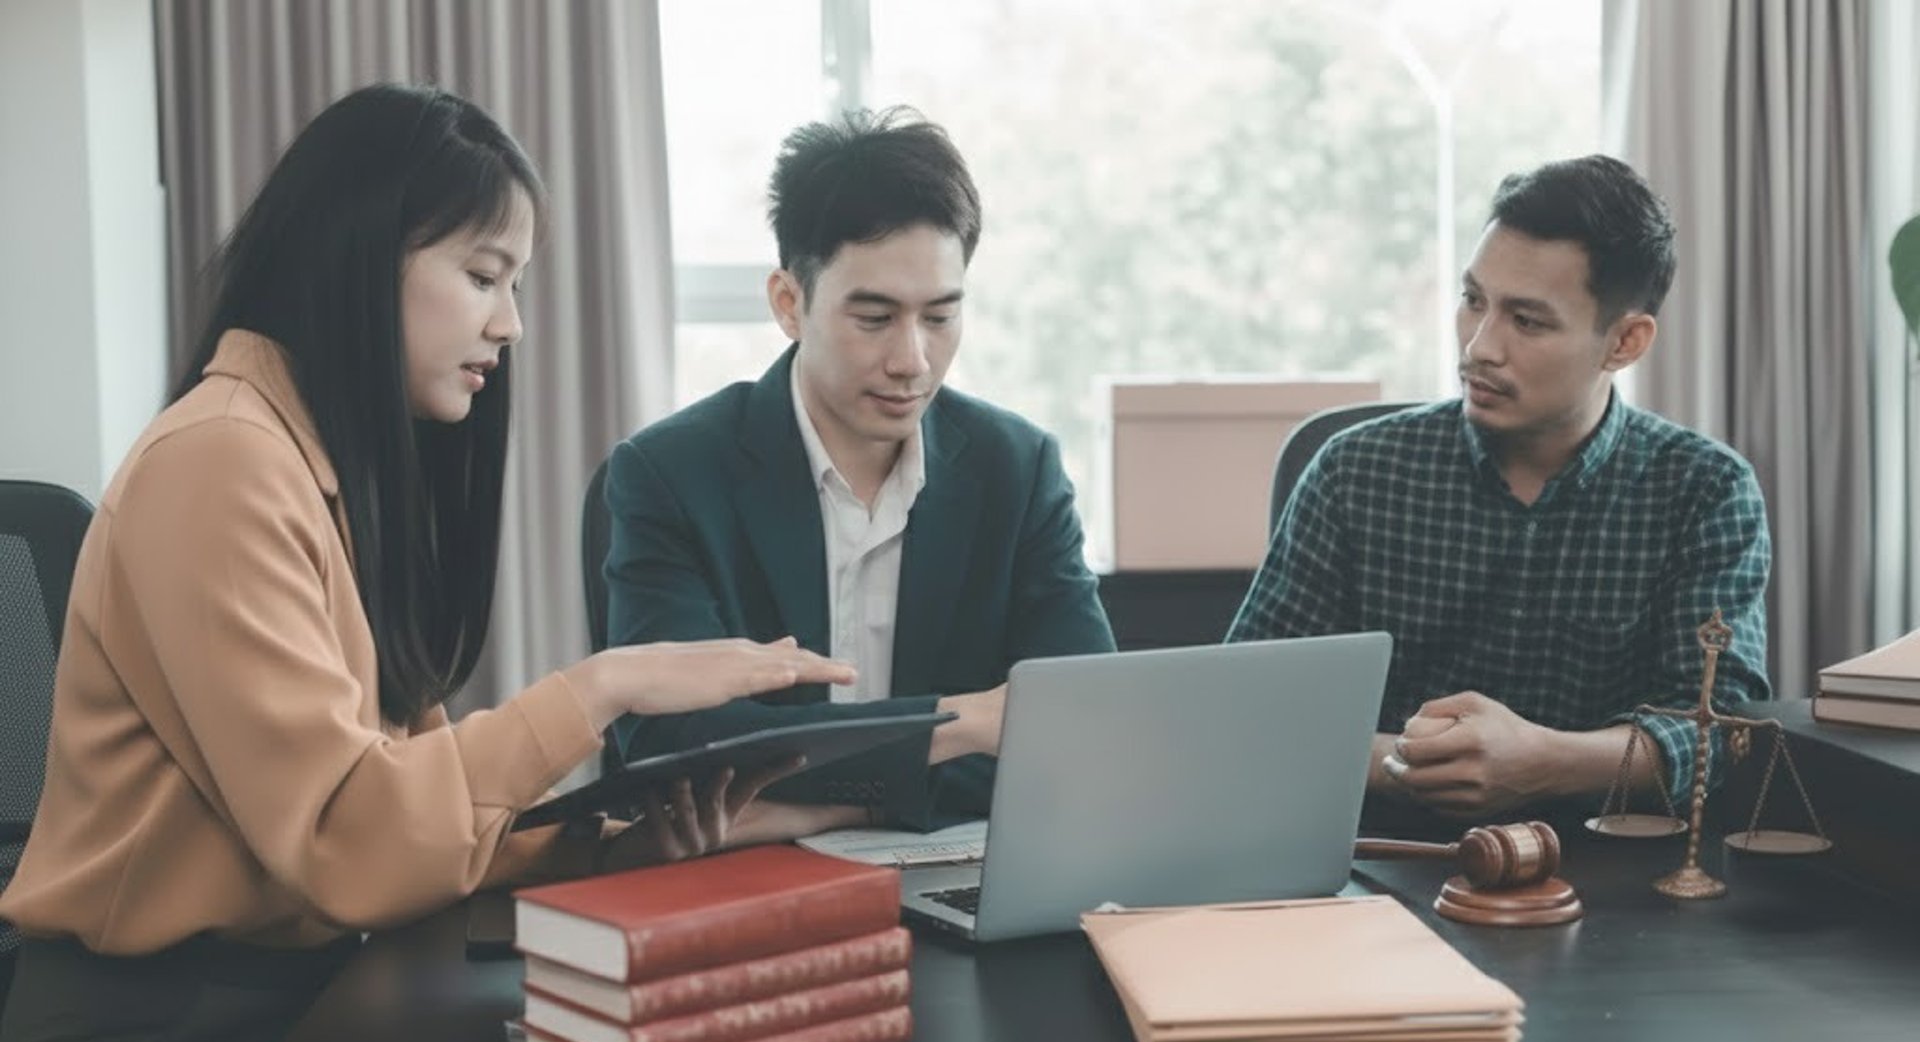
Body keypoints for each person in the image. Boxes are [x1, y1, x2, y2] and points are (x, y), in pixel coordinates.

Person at [0, 84, 851, 1042]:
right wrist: (598, 688)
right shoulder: (218, 464)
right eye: (484, 276)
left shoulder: (320, 466)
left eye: (516, 285)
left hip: (285, 1001)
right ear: (362, 256)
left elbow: (413, 827)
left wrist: (616, 847)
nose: (511, 323)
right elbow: (357, 846)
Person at [604, 108, 1115, 833]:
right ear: (790, 303)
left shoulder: (1018, 469)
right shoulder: (671, 474)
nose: (913, 359)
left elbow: (1083, 726)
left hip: (959, 871)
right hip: (751, 886)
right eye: (874, 319)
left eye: (940, 317)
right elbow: (675, 745)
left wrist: (812, 804)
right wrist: (968, 723)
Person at [1229, 154, 1770, 831]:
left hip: (1608, 882)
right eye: (1473, 300)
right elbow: (1245, 713)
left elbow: (1719, 732)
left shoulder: (1704, 490)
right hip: (1371, 867)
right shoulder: (1354, 471)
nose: (1480, 347)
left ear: (1626, 341)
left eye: (1528, 321)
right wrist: (1409, 764)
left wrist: (1546, 760)